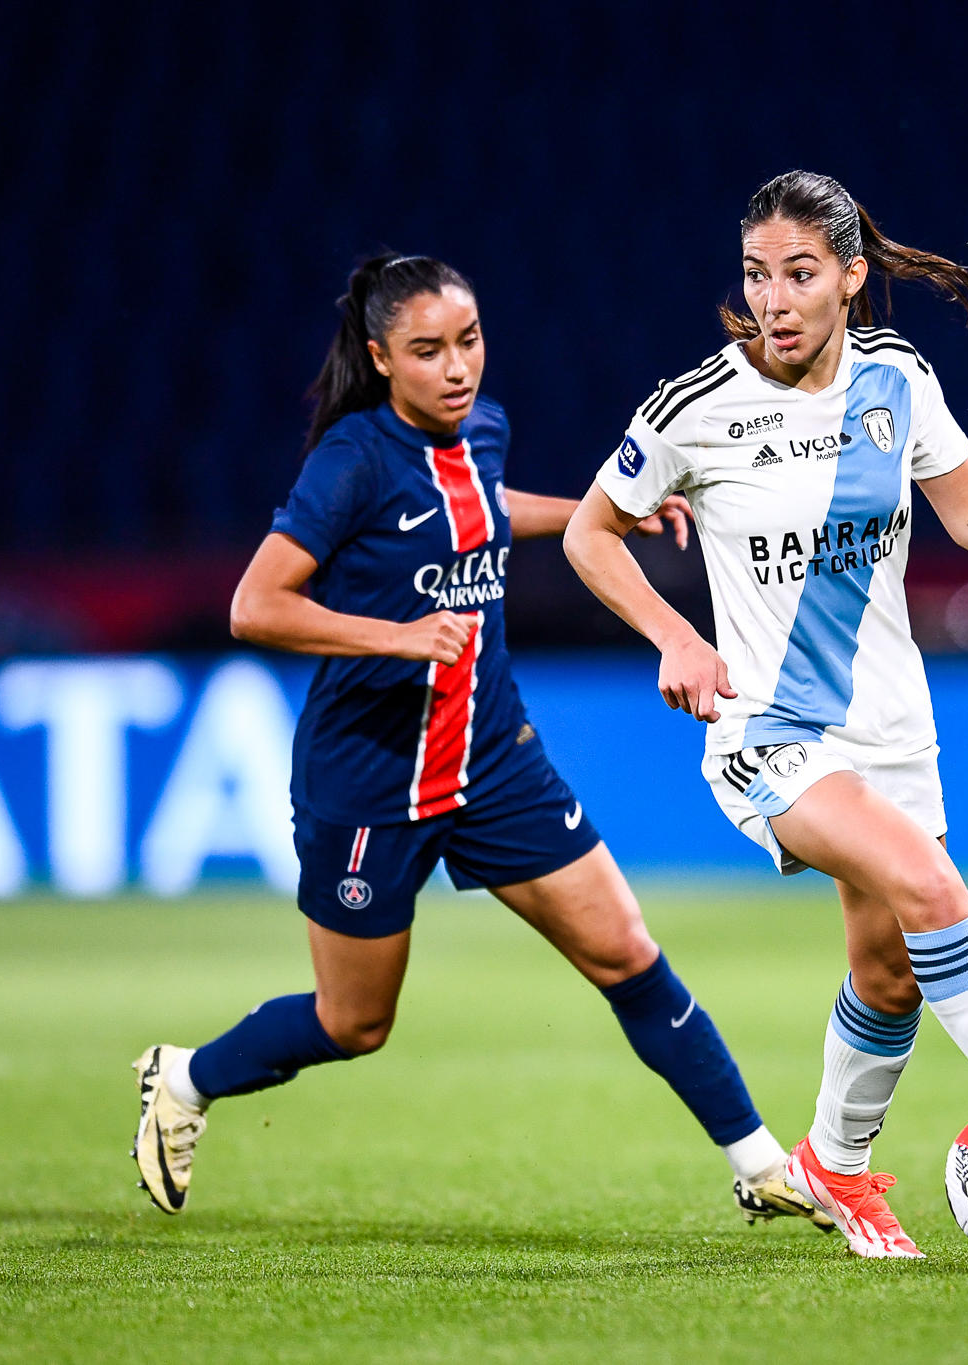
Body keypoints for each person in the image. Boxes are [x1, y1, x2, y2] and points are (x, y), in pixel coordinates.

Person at [130, 253, 829, 1235]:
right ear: (379, 359)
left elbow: (481, 516)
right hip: (370, 776)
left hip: (494, 759)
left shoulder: (484, 429)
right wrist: (398, 637)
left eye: (467, 341)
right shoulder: (352, 462)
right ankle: (186, 1078)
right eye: (426, 351)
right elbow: (256, 605)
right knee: (354, 1024)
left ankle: (758, 1163)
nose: (456, 367)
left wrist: (603, 516)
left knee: (626, 953)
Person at [564, 172, 968, 1258]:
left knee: (887, 968)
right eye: (755, 275)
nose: (774, 299)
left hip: (892, 728)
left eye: (798, 274)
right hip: (770, 736)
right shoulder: (693, 406)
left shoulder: (896, 380)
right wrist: (677, 638)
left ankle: (833, 1165)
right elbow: (590, 535)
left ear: (850, 276)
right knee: (934, 890)